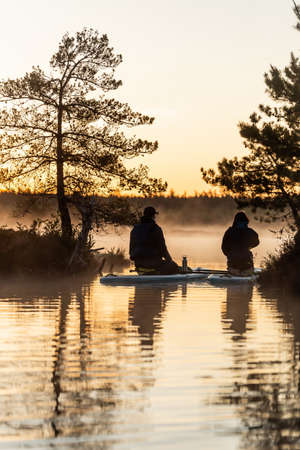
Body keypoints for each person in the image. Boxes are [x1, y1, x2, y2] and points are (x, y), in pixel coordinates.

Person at [129, 206, 180, 275]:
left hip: (138, 264)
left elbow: (131, 250)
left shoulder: (135, 229)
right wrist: (171, 262)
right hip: (153, 264)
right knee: (174, 267)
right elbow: (163, 249)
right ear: (153, 216)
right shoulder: (156, 229)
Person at [221, 212, 259, 276]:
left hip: (233, 267)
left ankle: (234, 271)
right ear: (246, 221)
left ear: (235, 221)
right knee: (248, 257)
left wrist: (230, 254)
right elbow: (257, 242)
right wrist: (248, 247)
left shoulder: (229, 231)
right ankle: (244, 271)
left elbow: (224, 248)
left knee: (234, 264)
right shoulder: (250, 232)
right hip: (247, 268)